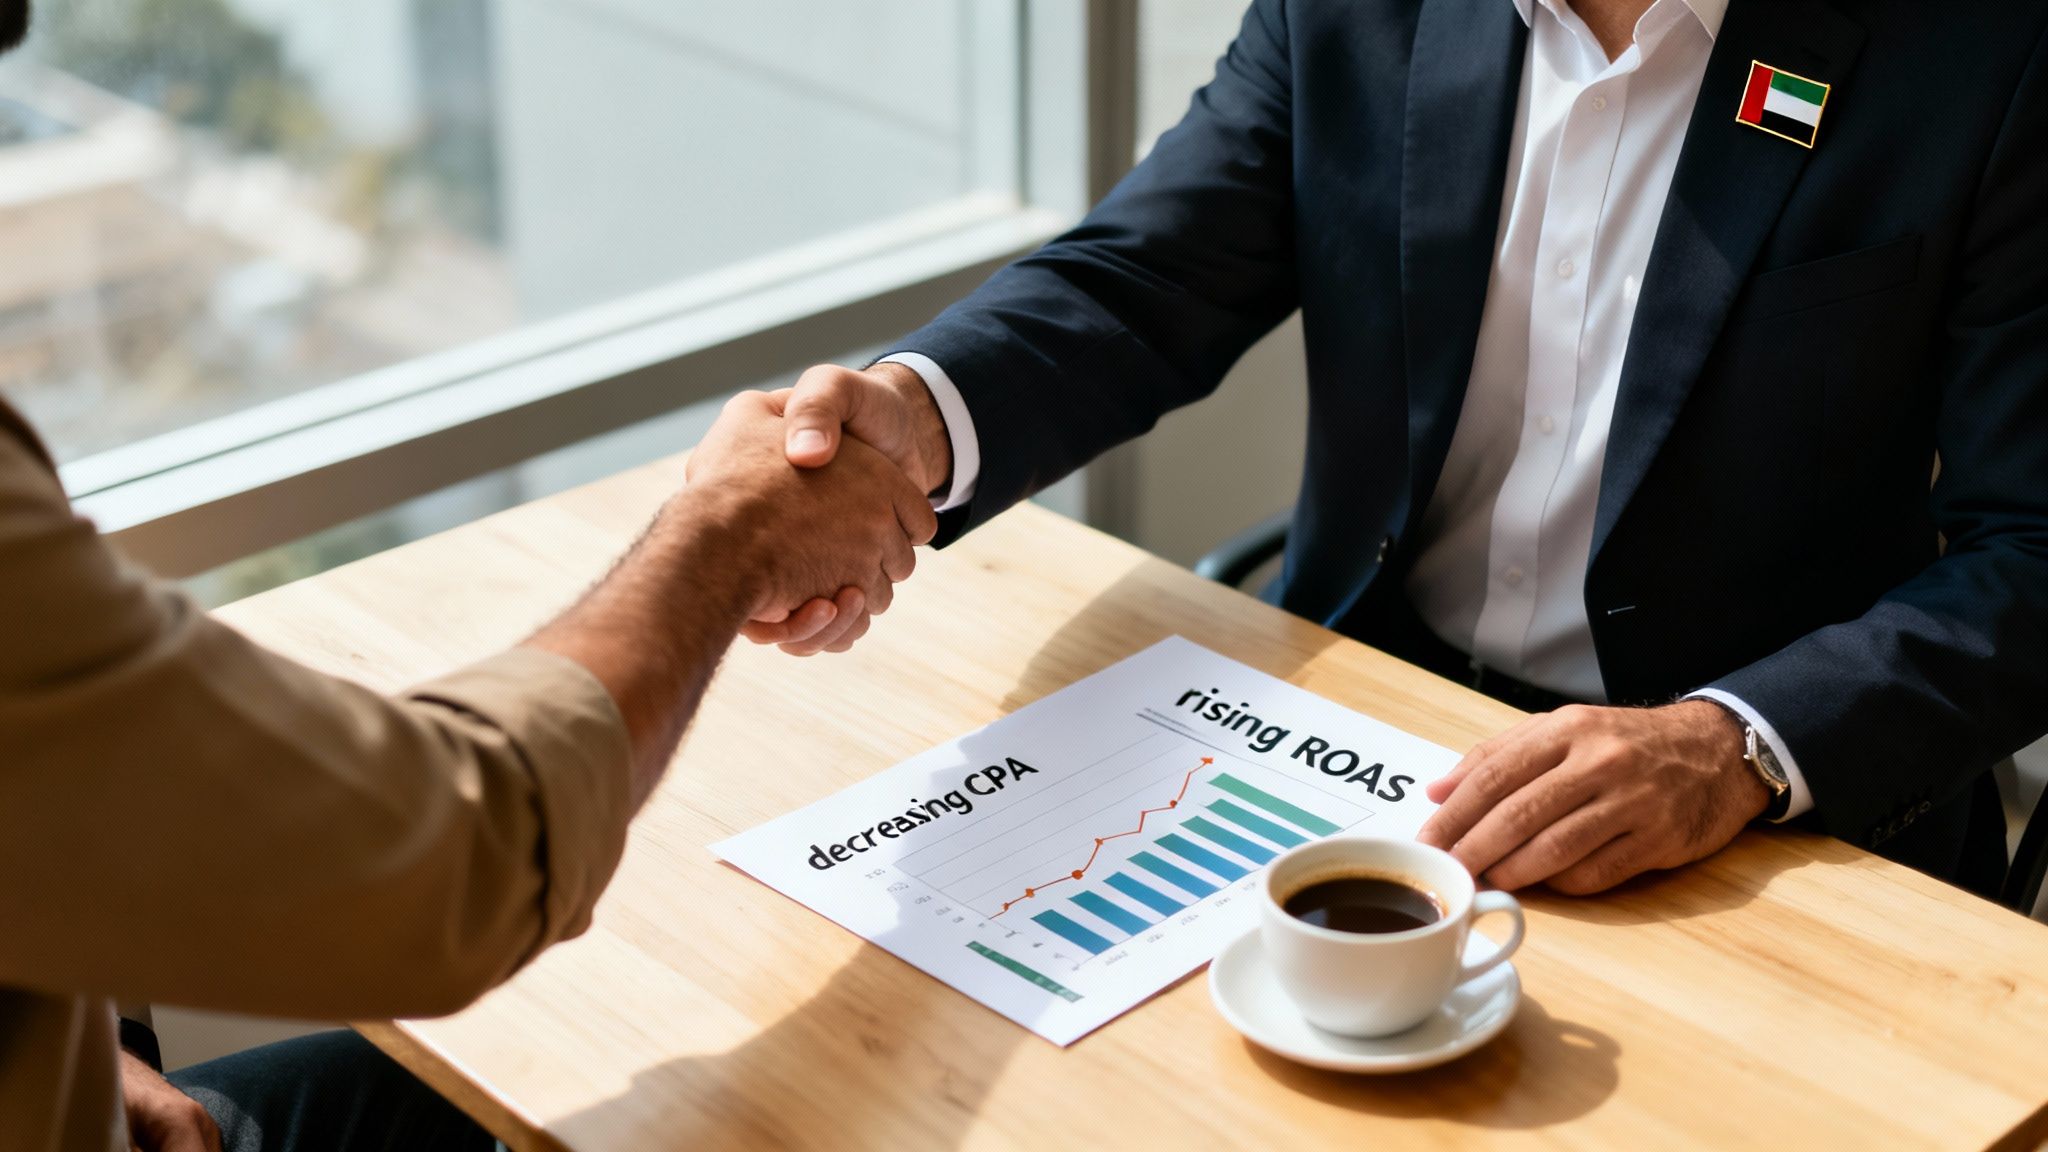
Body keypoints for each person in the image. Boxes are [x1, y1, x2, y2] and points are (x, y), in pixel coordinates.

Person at [762, 0, 2048, 899]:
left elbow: (2033, 551)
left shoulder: (1993, 52)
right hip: (1362, 717)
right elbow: (1144, 281)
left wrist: (1732, 747)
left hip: (1757, 803)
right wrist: (914, 415)